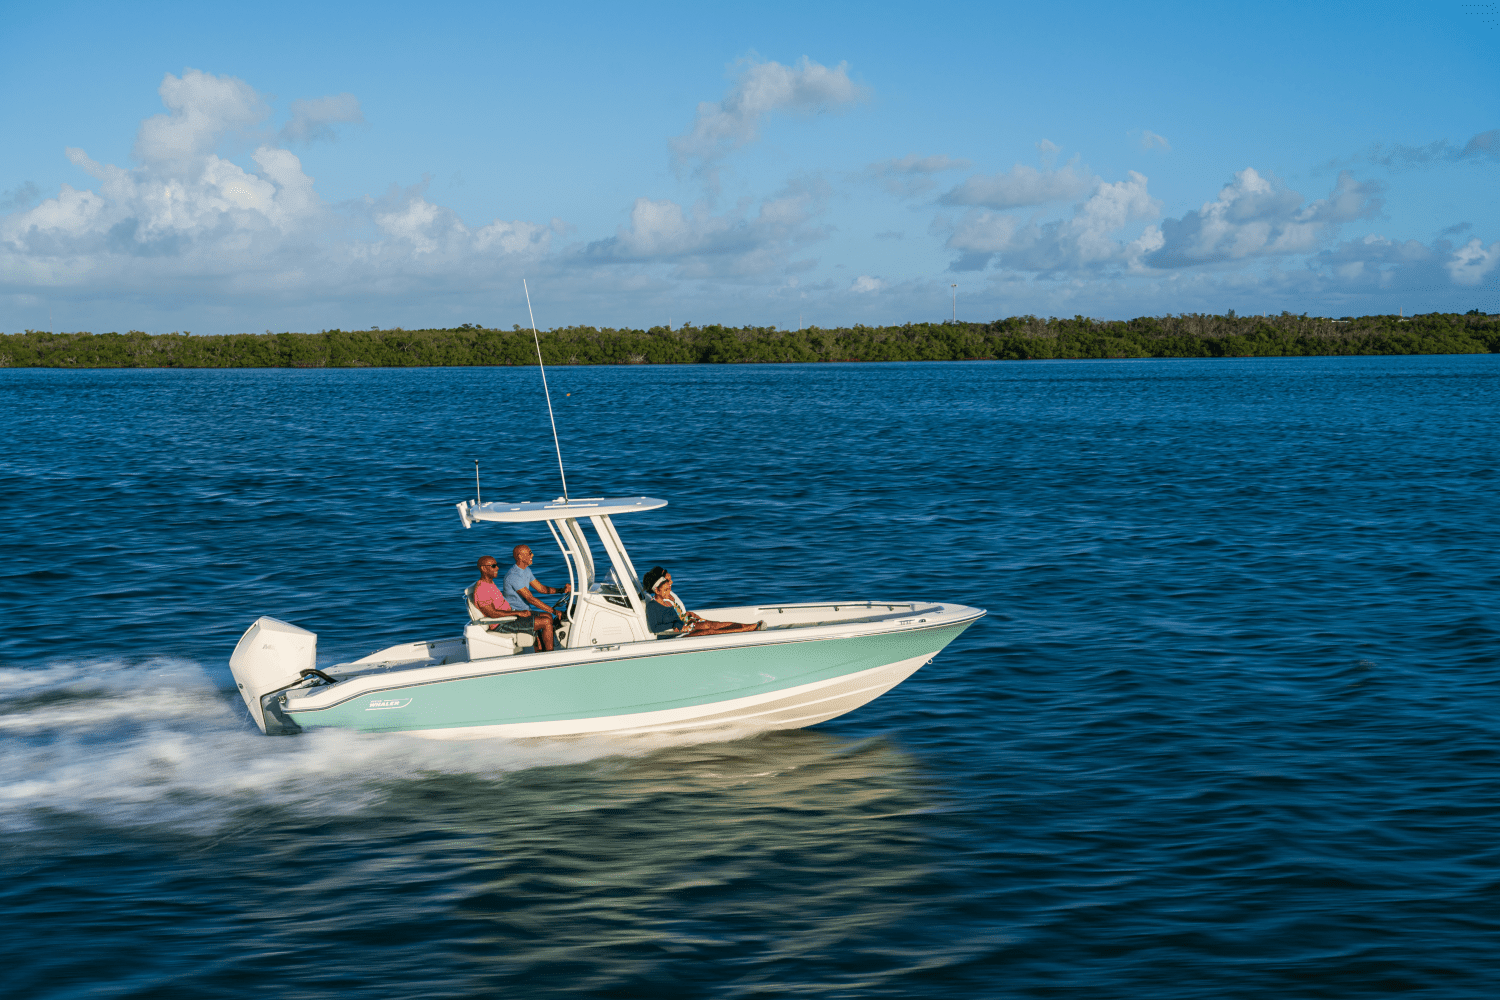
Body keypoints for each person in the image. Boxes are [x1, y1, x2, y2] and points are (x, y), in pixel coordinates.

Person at [640, 566, 762, 639]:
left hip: (686, 625)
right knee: (710, 629)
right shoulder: (653, 605)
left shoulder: (666, 600)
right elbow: (656, 628)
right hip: (679, 634)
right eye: (667, 584)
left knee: (716, 625)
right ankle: (748, 629)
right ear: (656, 589)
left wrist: (685, 615)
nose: (670, 585)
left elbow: (674, 616)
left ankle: (747, 627)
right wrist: (675, 625)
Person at [473, 555, 557, 652]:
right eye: (493, 566)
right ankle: (550, 654)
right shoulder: (481, 589)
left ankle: (540, 650)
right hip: (501, 624)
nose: (497, 568)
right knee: (545, 622)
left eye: (496, 565)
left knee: (548, 616)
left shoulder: (489, 583)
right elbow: (493, 614)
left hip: (509, 617)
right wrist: (518, 613)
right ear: (483, 568)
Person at [503, 544, 571, 647]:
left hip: (526, 611)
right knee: (547, 621)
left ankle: (540, 648)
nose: (533, 555)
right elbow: (531, 599)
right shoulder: (514, 576)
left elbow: (541, 589)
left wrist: (562, 590)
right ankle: (549, 653)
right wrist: (554, 611)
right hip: (515, 615)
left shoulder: (526, 570)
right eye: (530, 553)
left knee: (548, 616)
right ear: (520, 556)